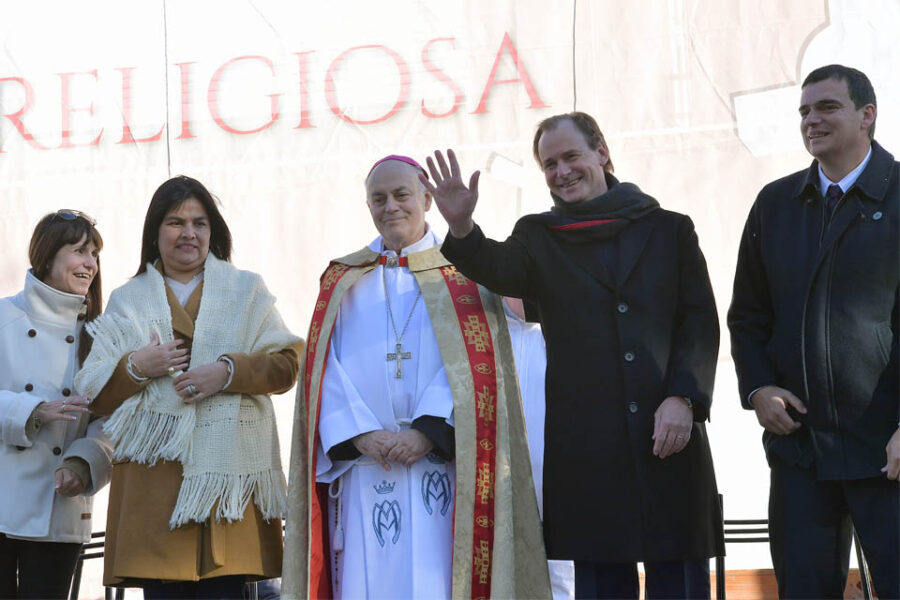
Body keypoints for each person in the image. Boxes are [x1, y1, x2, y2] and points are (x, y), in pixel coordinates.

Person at [429, 112, 723, 600]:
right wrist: (462, 226)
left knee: (679, 576)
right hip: (590, 445)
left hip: (666, 430)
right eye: (549, 164)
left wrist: (684, 398)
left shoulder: (669, 229)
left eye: (571, 157)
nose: (561, 171)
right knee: (603, 581)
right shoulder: (539, 236)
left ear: (601, 151)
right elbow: (499, 270)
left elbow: (698, 322)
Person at [282, 156, 550, 600]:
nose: (390, 207)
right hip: (368, 466)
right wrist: (360, 433)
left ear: (427, 199)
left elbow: (476, 365)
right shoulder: (343, 279)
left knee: (440, 581)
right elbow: (322, 369)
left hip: (440, 465)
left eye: (401, 195)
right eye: (378, 198)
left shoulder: (464, 273)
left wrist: (429, 430)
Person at [75, 176, 303, 599]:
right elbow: (97, 396)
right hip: (154, 486)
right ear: (155, 232)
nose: (189, 233)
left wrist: (228, 371)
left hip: (226, 488)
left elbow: (287, 366)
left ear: (212, 231)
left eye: (199, 223)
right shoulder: (127, 298)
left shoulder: (246, 289)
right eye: (175, 222)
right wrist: (137, 367)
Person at [728, 64, 899, 598]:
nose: (811, 119)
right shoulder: (775, 205)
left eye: (827, 107)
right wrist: (758, 390)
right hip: (802, 450)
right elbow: (747, 316)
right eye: (804, 110)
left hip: (888, 450)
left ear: (867, 115)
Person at [0, 211, 113, 599]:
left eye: (95, 254)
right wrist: (32, 412)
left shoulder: (100, 336)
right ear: (48, 256)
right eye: (79, 250)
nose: (90, 263)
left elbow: (110, 421)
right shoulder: (3, 317)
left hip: (60, 505)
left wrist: (83, 463)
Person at [503, 297, 575, 600]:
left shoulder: (572, 332)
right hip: (499, 486)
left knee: (562, 577)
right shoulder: (482, 332)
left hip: (563, 485)